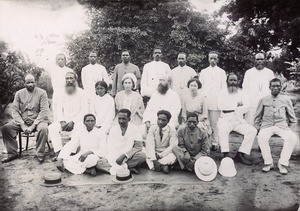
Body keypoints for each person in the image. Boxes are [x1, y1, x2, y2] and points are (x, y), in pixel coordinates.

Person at [1, 74, 49, 163]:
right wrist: (22, 124)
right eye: (28, 83)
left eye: (32, 82)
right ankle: (12, 153)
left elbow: (44, 110)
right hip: (23, 121)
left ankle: (40, 153)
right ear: (24, 84)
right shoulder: (19, 93)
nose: (30, 84)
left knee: (43, 128)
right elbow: (14, 110)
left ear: (35, 82)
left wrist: (33, 126)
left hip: (38, 120)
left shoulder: (42, 93)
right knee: (6, 128)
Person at [254, 78, 297, 174]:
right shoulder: (263, 100)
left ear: (281, 87)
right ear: (269, 87)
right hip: (267, 126)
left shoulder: (286, 100)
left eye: (278, 86)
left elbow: (293, 118)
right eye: (273, 86)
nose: (276, 88)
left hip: (282, 126)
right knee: (262, 136)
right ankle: (268, 163)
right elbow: (257, 117)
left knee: (292, 138)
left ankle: (282, 163)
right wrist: (257, 128)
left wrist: (291, 129)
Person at [217, 73, 256, 165]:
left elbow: (247, 106)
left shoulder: (242, 94)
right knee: (223, 129)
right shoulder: (221, 93)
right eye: (231, 80)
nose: (233, 82)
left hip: (238, 120)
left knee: (252, 131)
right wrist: (238, 106)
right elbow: (221, 106)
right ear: (227, 82)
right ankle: (225, 154)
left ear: (238, 82)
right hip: (225, 119)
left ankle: (240, 154)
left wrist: (234, 108)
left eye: (235, 80)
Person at [48, 72, 88, 161]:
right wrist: (62, 121)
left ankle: (71, 152)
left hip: (77, 121)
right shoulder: (61, 93)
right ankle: (58, 152)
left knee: (80, 129)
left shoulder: (82, 92)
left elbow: (84, 110)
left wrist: (73, 122)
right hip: (64, 121)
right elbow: (59, 109)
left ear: (75, 80)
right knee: (52, 128)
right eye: (67, 79)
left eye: (71, 78)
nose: (69, 81)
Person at [96, 109, 146, 175]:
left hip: (128, 157)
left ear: (129, 119)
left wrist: (125, 155)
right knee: (99, 163)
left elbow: (138, 146)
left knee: (142, 156)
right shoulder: (113, 129)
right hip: (114, 157)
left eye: (124, 119)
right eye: (119, 119)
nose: (121, 121)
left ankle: (116, 170)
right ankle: (126, 169)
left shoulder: (135, 129)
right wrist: (116, 158)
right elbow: (110, 146)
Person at [198, 51, 226, 151]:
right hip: (206, 101)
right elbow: (200, 88)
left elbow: (224, 88)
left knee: (215, 124)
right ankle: (206, 143)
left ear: (218, 59)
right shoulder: (204, 71)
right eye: (211, 58)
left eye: (215, 58)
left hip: (216, 102)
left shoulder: (222, 72)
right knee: (206, 123)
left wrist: (222, 102)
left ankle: (215, 142)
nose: (213, 60)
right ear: (208, 59)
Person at [242, 53, 274, 125]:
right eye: (258, 59)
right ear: (254, 61)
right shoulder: (249, 72)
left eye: (261, 59)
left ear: (265, 61)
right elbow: (245, 88)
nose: (260, 61)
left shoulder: (269, 72)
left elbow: (273, 87)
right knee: (250, 124)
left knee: (264, 125)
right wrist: (245, 101)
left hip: (265, 102)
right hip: (251, 102)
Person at [51, 53, 73, 121]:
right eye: (58, 59)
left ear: (65, 60)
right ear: (56, 61)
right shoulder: (53, 70)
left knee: (68, 110)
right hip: (57, 93)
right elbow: (54, 83)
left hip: (67, 93)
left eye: (62, 59)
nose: (60, 61)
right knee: (57, 110)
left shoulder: (69, 70)